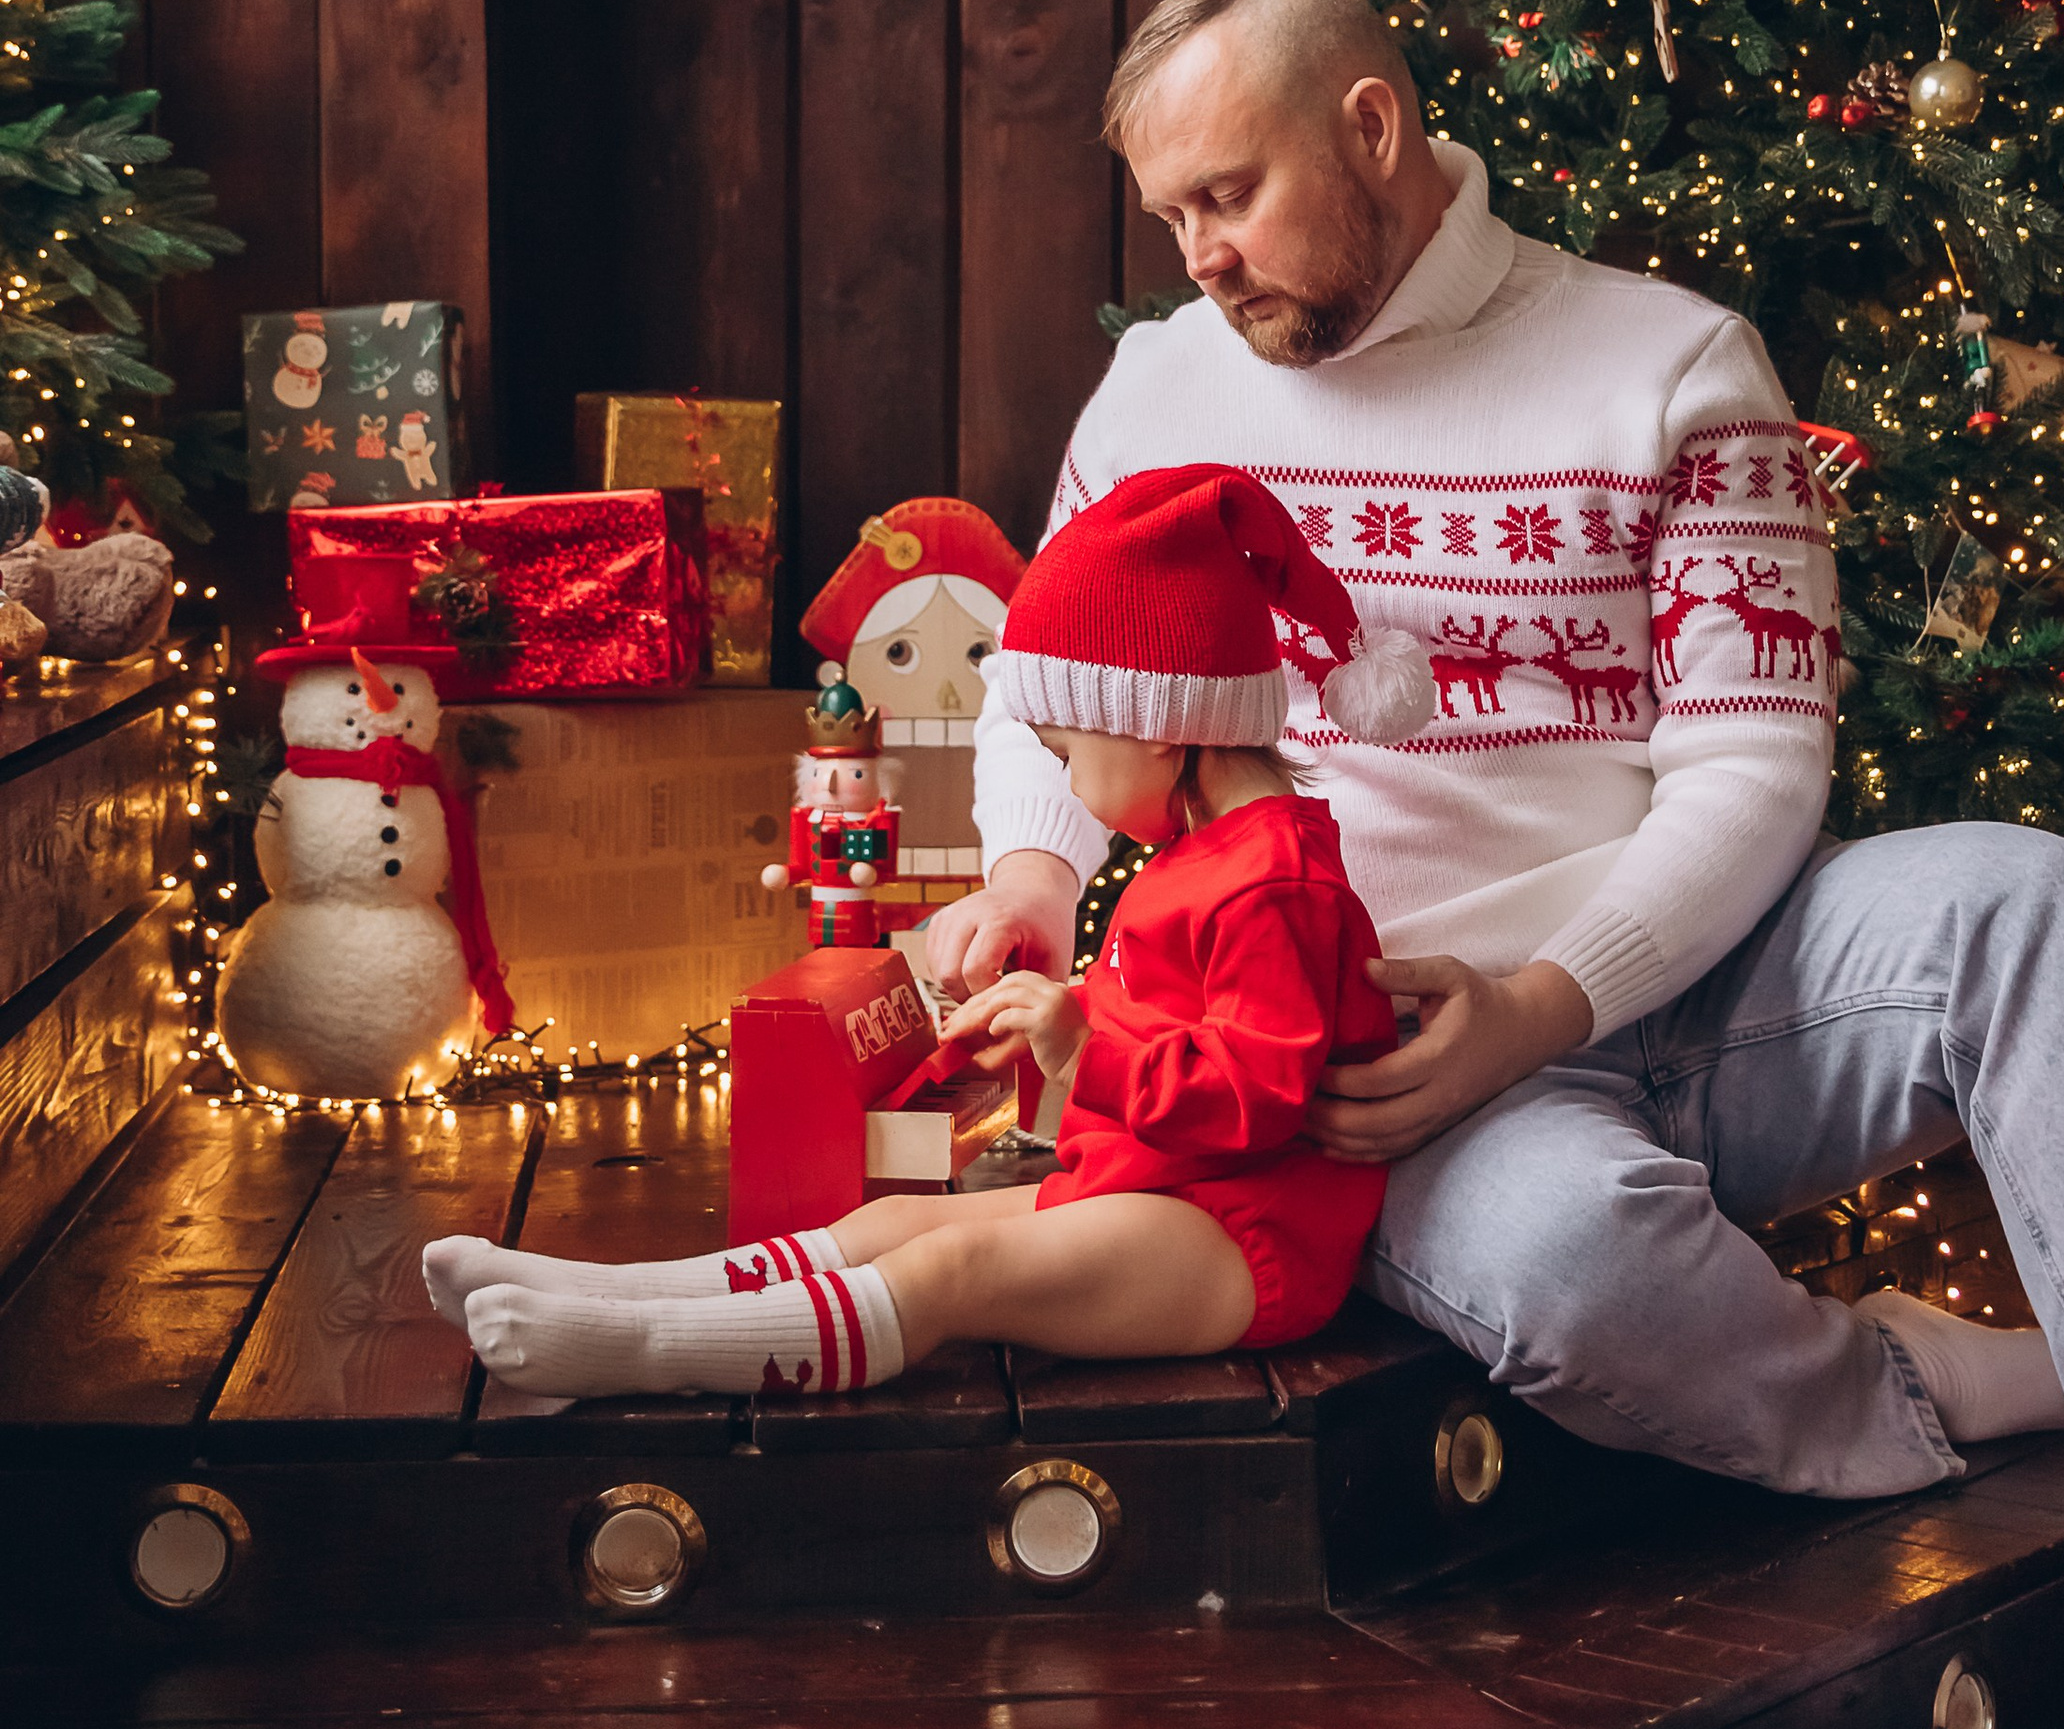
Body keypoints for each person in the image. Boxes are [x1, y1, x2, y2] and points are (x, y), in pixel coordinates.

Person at [929, 0, 2064, 1729]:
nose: (1199, 253)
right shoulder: (1162, 394)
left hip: (1711, 976)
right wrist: (1028, 879)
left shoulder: (1669, 364)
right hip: (1382, 1057)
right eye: (1169, 211)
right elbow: (1040, 697)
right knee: (1552, 1255)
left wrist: (1547, 995)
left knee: (2025, 896)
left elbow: (1750, 769)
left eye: (1228, 193)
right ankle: (1909, 1385)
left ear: (1369, 129)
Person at [427, 465, 1419, 1399]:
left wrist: (1078, 1043)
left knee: (954, 1264)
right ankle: (606, 1293)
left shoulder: (1271, 884)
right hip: (1158, 1185)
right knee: (893, 1219)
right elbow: (1172, 1033)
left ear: (1158, 722)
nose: (1071, 786)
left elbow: (1257, 1097)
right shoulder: (1206, 858)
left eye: (1070, 751)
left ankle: (651, 1348)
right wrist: (1055, 1020)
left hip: (1243, 1231)